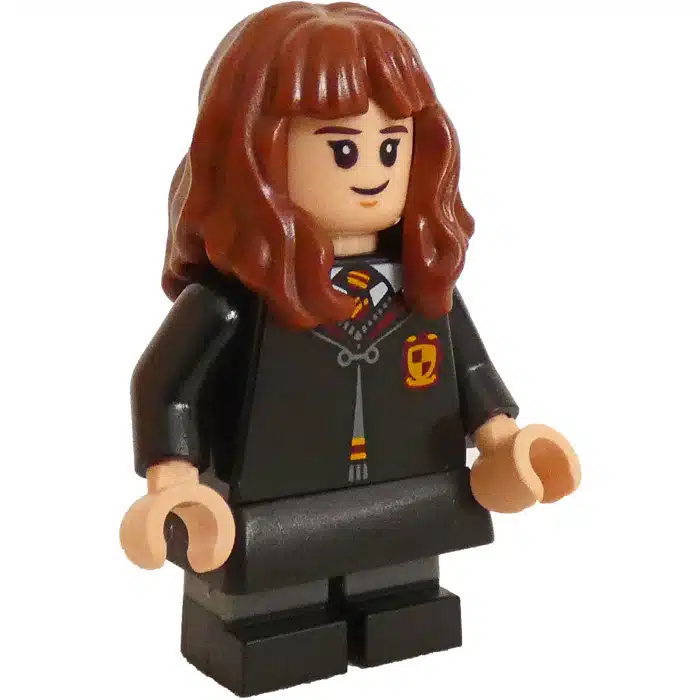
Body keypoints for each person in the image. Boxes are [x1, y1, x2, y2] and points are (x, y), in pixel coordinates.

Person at [120, 3, 581, 696]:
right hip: (273, 504)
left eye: (390, 147)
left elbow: (469, 366)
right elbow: (164, 384)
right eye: (342, 150)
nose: (372, 172)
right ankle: (273, 630)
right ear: (254, 153)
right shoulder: (234, 301)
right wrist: (175, 482)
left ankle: (397, 609)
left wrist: (502, 440)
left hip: (409, 492)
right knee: (272, 614)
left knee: (404, 592)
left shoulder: (423, 288)